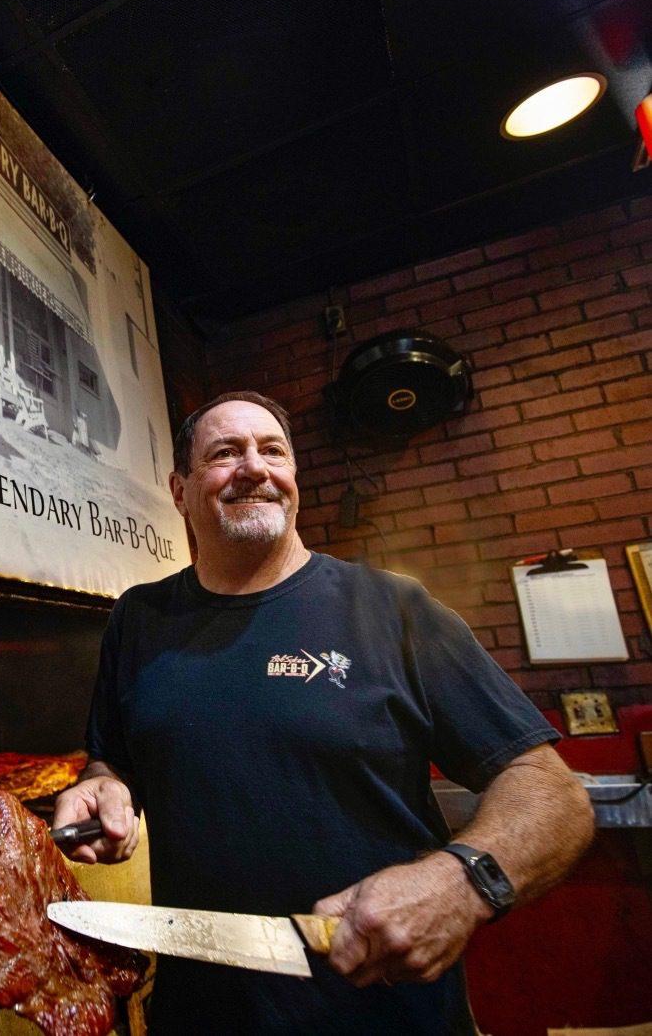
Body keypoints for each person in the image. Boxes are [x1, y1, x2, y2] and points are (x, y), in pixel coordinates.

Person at [53, 391, 594, 1035]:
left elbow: (556, 794)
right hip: (200, 1012)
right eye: (226, 453)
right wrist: (102, 784)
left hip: (382, 1014)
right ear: (179, 490)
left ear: (294, 480)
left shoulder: (391, 608)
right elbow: (111, 757)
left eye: (273, 451)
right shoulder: (138, 619)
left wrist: (462, 881)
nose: (254, 467)